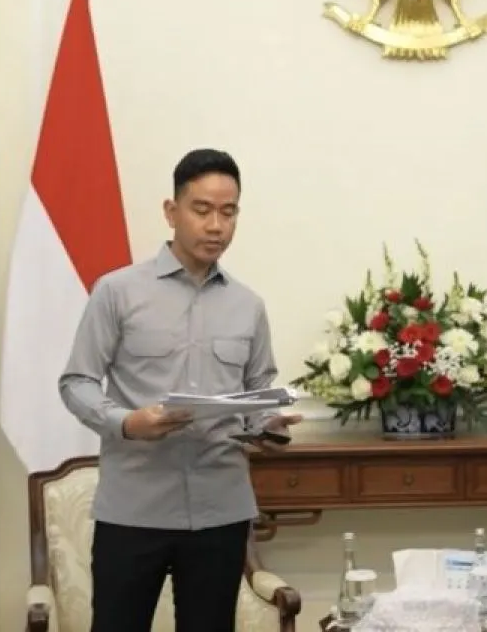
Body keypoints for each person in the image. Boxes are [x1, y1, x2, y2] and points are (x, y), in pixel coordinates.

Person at [58, 148, 303, 632]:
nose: (216, 226)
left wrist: (268, 424)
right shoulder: (117, 291)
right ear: (172, 212)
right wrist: (127, 422)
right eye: (202, 210)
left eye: (228, 212)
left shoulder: (248, 306)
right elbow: (76, 382)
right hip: (134, 509)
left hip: (220, 509)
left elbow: (257, 389)